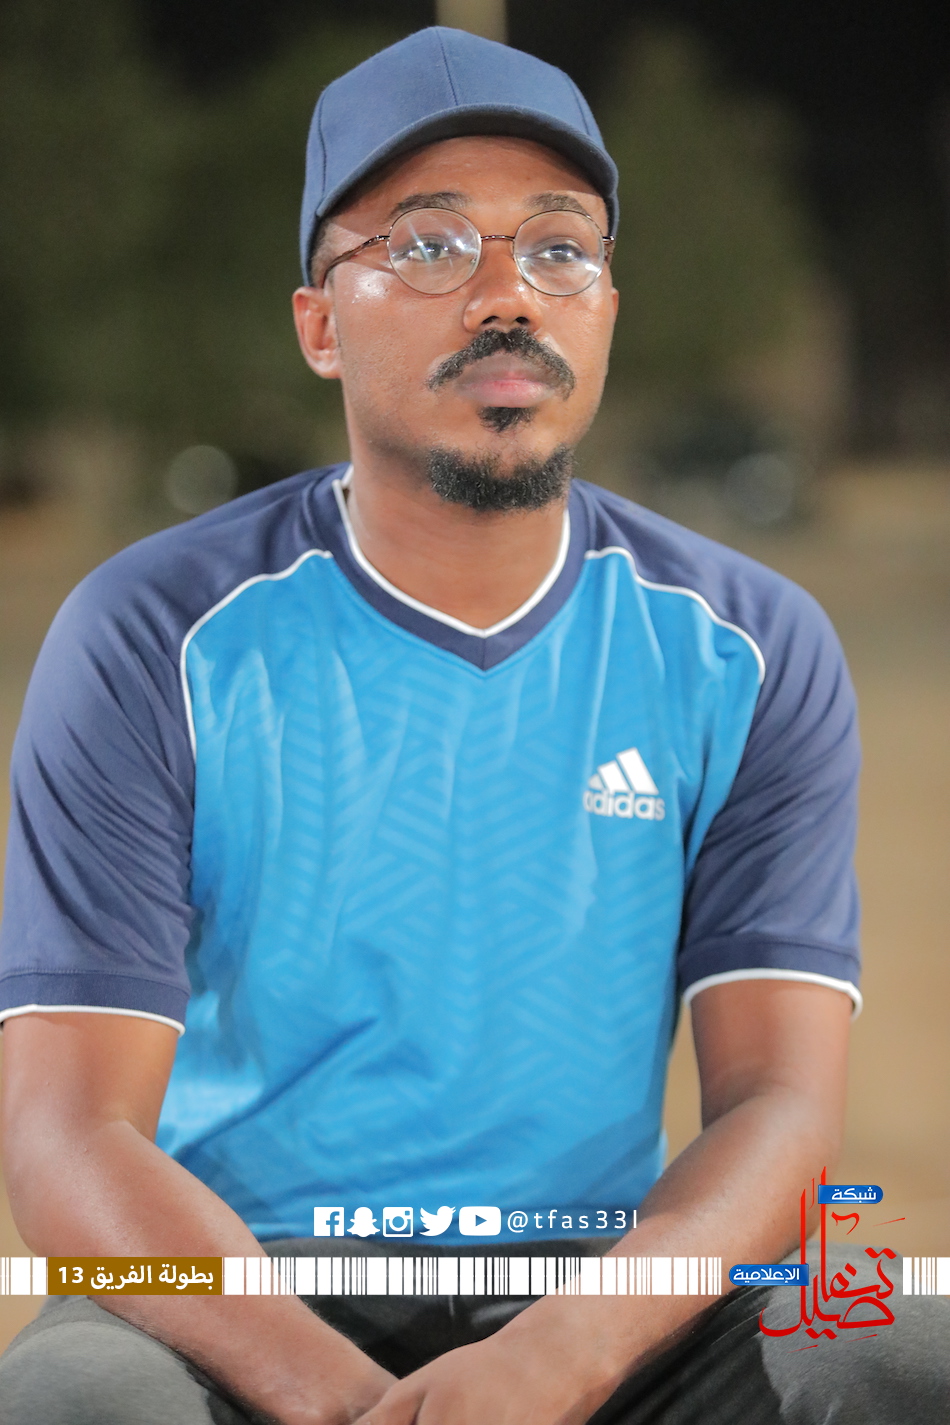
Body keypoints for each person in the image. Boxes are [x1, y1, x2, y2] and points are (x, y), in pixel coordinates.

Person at [0, 25, 946, 1425]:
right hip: (237, 1295)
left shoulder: (745, 646)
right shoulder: (152, 634)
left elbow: (777, 1108)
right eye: (431, 245)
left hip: (594, 1300)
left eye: (558, 247)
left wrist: (554, 1361)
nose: (508, 294)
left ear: (606, 308)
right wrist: (353, 1404)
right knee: (77, 1403)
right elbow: (66, 1130)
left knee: (906, 1353)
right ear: (320, 323)